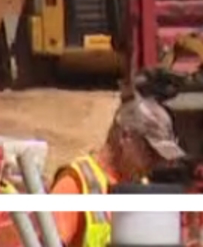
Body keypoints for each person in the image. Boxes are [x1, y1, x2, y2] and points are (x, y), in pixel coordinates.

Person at [48, 97, 188, 247]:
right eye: (150, 152)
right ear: (125, 137)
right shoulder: (76, 185)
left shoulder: (142, 186)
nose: (155, 163)